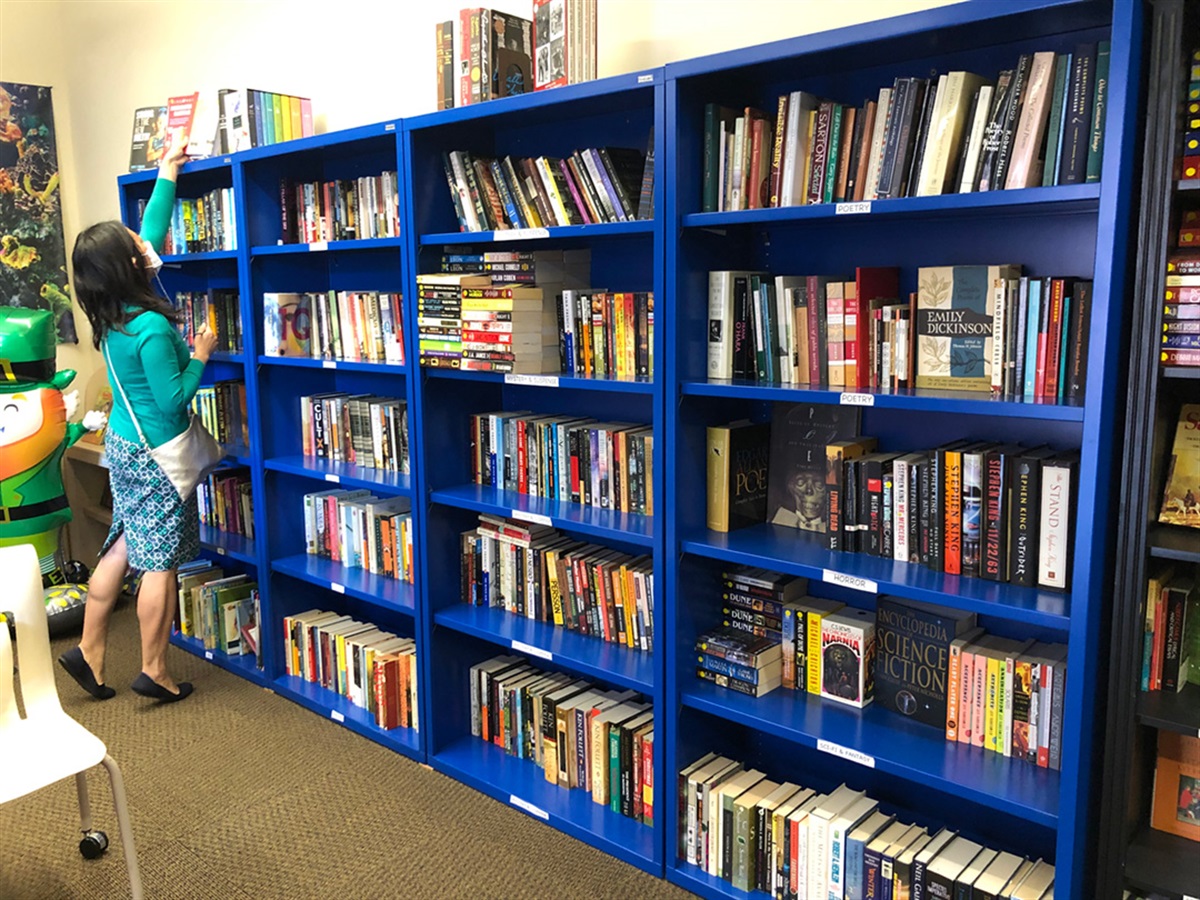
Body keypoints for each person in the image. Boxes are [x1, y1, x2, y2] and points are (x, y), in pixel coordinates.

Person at [58, 138, 216, 703]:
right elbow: (174, 402)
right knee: (160, 563)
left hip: (122, 445)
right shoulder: (148, 327)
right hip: (156, 454)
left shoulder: (108, 312)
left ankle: (89, 653)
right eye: (132, 245)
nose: (141, 243)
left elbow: (149, 228)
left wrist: (166, 171)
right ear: (128, 265)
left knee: (122, 546)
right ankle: (155, 669)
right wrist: (200, 352)